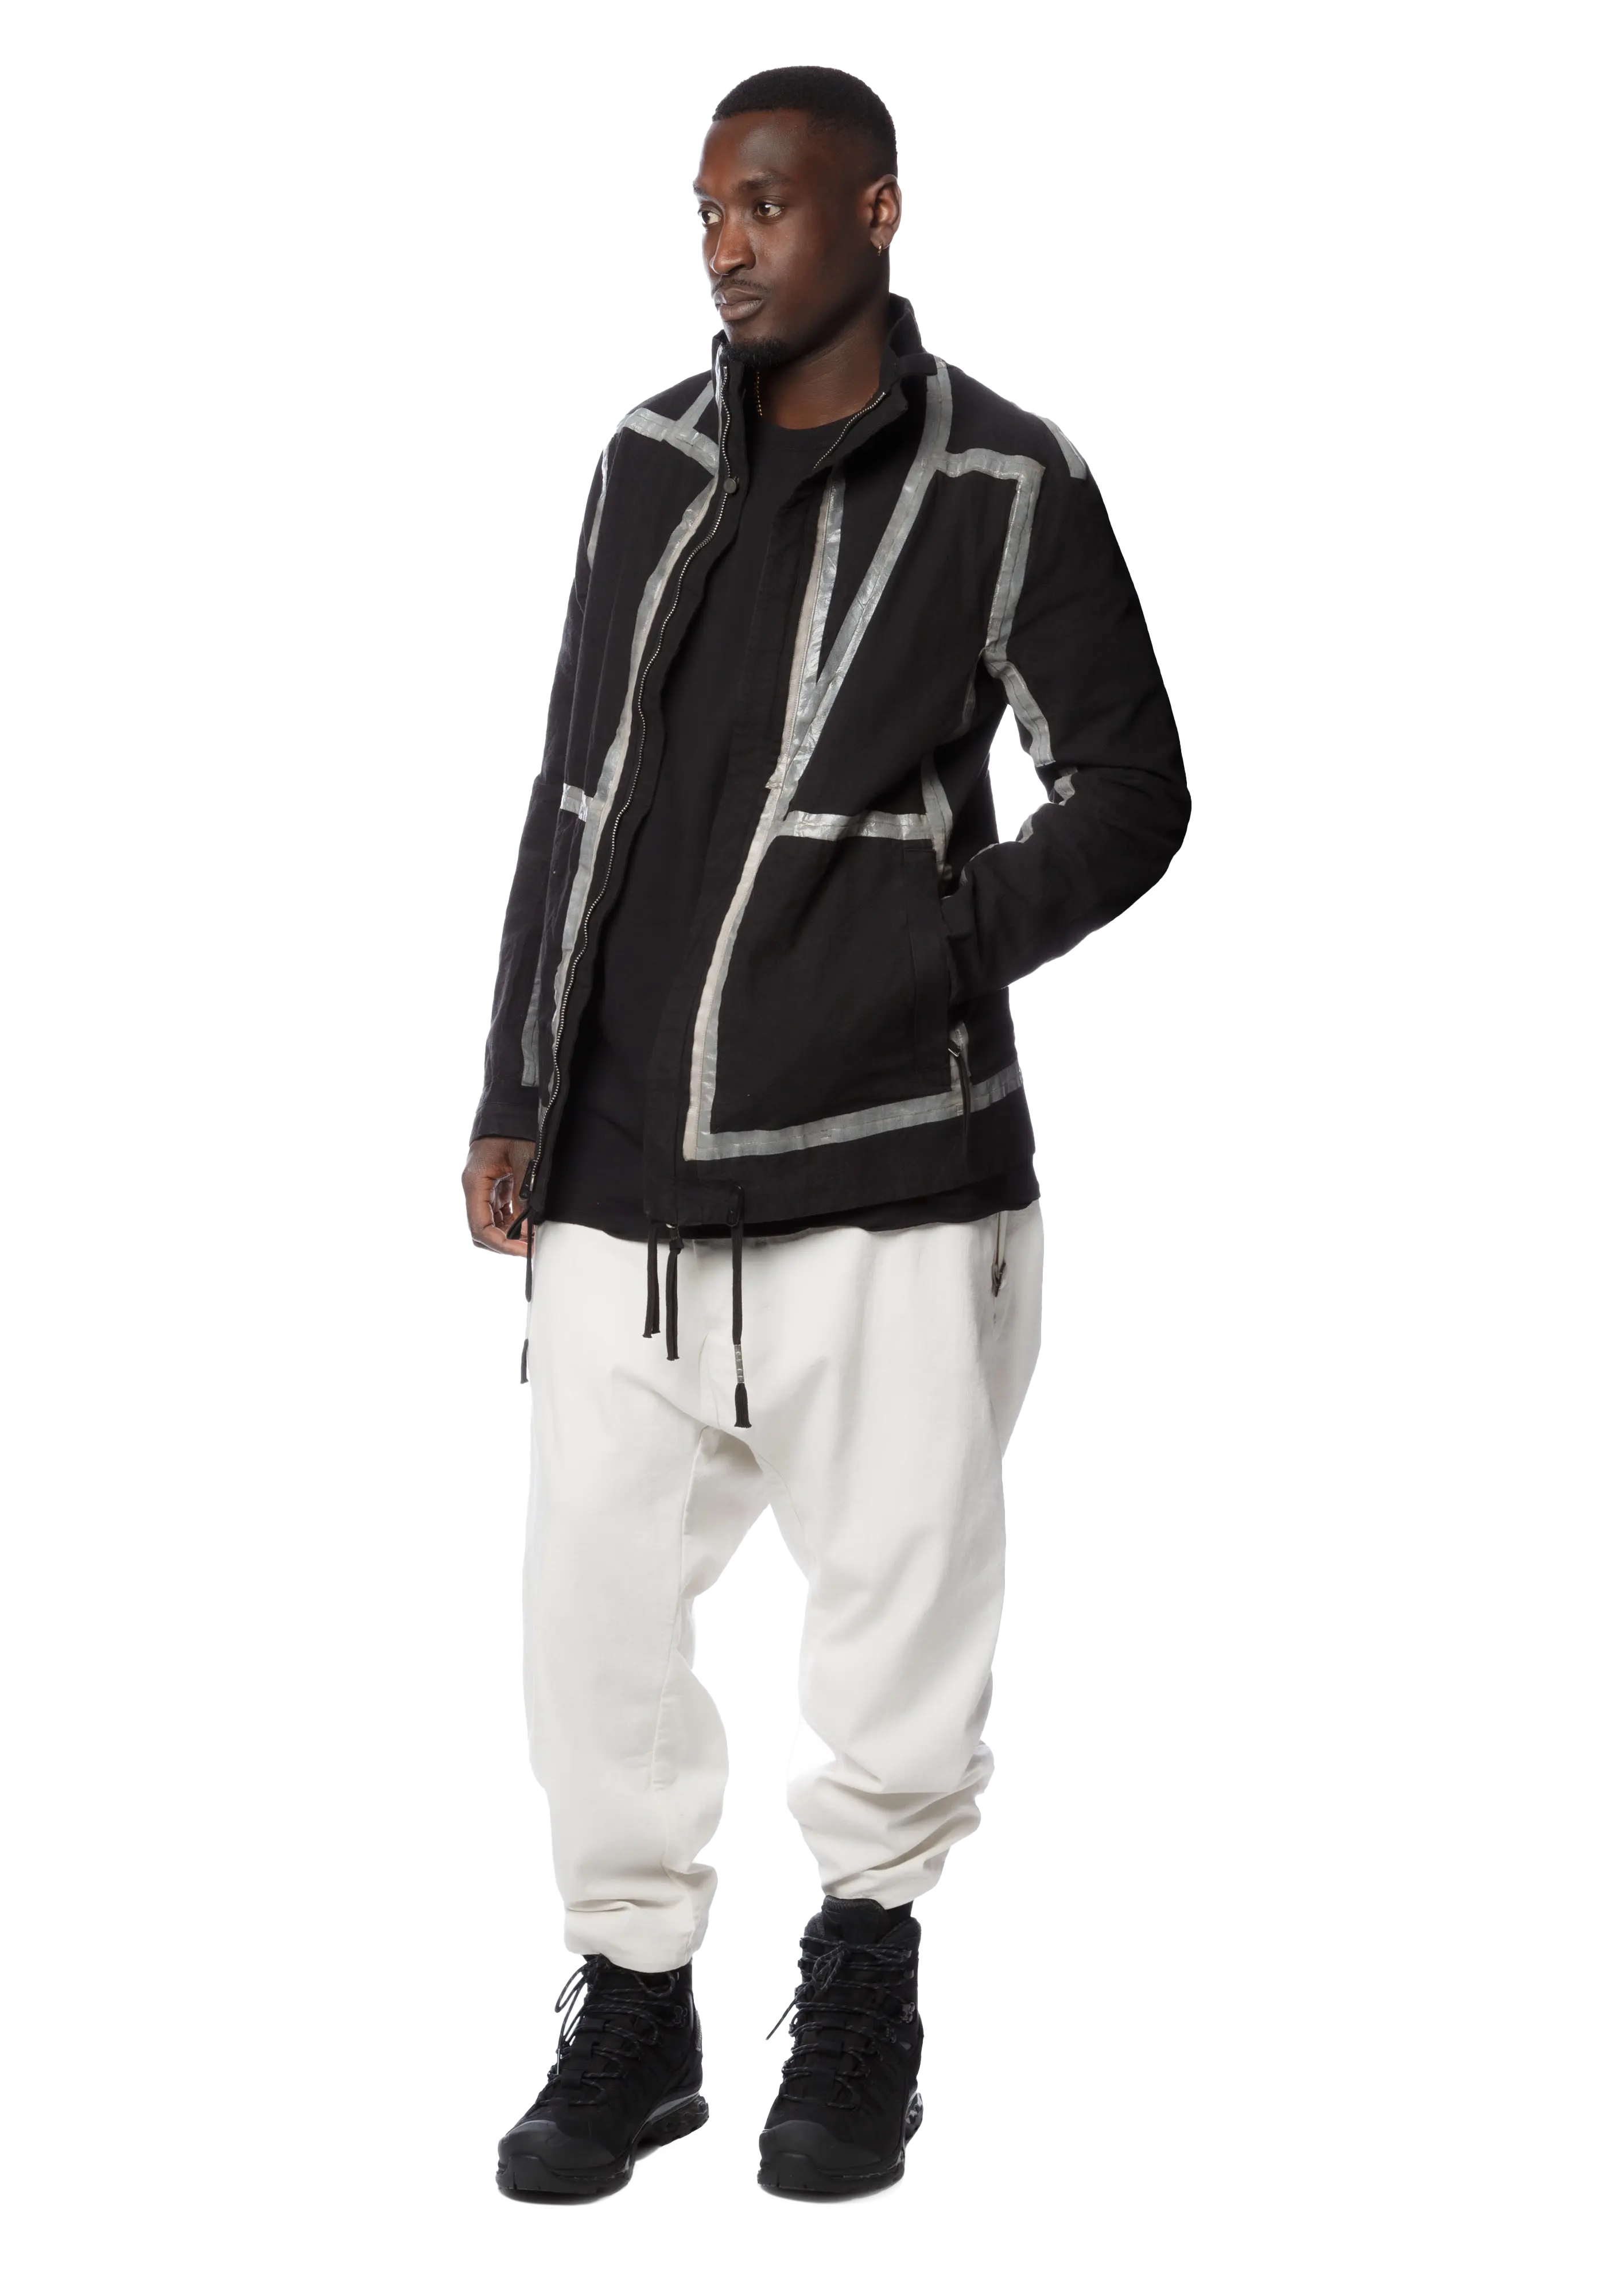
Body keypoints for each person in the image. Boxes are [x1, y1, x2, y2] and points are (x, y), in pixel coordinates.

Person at [461, 64, 1190, 2205]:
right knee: (593, 1610)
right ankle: (637, 2009)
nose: (726, 246)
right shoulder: (648, 463)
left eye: (765, 205)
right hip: (618, 1165)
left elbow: (1132, 792)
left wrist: (934, 949)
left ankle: (865, 1985)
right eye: (706, 210)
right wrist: (512, 1088)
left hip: (888, 1162)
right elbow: (572, 789)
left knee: (896, 1605)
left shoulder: (1007, 483)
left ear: (875, 210)